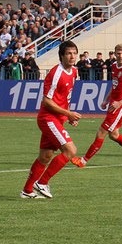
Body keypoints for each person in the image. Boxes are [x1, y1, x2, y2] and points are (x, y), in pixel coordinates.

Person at [21, 40, 83, 199]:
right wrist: (68, 114)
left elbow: (63, 98)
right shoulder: (56, 73)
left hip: (58, 118)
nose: (72, 56)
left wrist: (67, 115)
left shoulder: (74, 72)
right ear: (61, 56)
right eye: (68, 53)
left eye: (74, 53)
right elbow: (46, 101)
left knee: (45, 156)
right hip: (48, 118)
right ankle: (42, 183)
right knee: (71, 150)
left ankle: (27, 191)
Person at [72, 44, 122, 168]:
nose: (121, 56)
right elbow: (115, 85)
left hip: (120, 107)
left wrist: (120, 103)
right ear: (115, 54)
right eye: (118, 53)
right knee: (114, 135)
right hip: (113, 104)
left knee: (101, 132)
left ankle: (83, 161)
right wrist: (107, 99)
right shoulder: (113, 66)